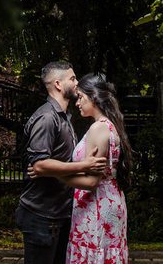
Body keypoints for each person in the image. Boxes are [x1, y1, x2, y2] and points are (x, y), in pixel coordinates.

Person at [17, 61, 108, 264]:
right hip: (41, 216)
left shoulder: (63, 118)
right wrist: (84, 166)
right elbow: (39, 165)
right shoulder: (47, 118)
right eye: (72, 79)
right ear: (58, 84)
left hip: (59, 215)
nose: (77, 83)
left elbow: (50, 165)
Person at [44, 73, 131, 264]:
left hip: (96, 206)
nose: (77, 103)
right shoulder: (109, 125)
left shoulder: (98, 128)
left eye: (81, 97)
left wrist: (55, 173)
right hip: (107, 201)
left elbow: (91, 182)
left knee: (94, 255)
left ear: (94, 97)